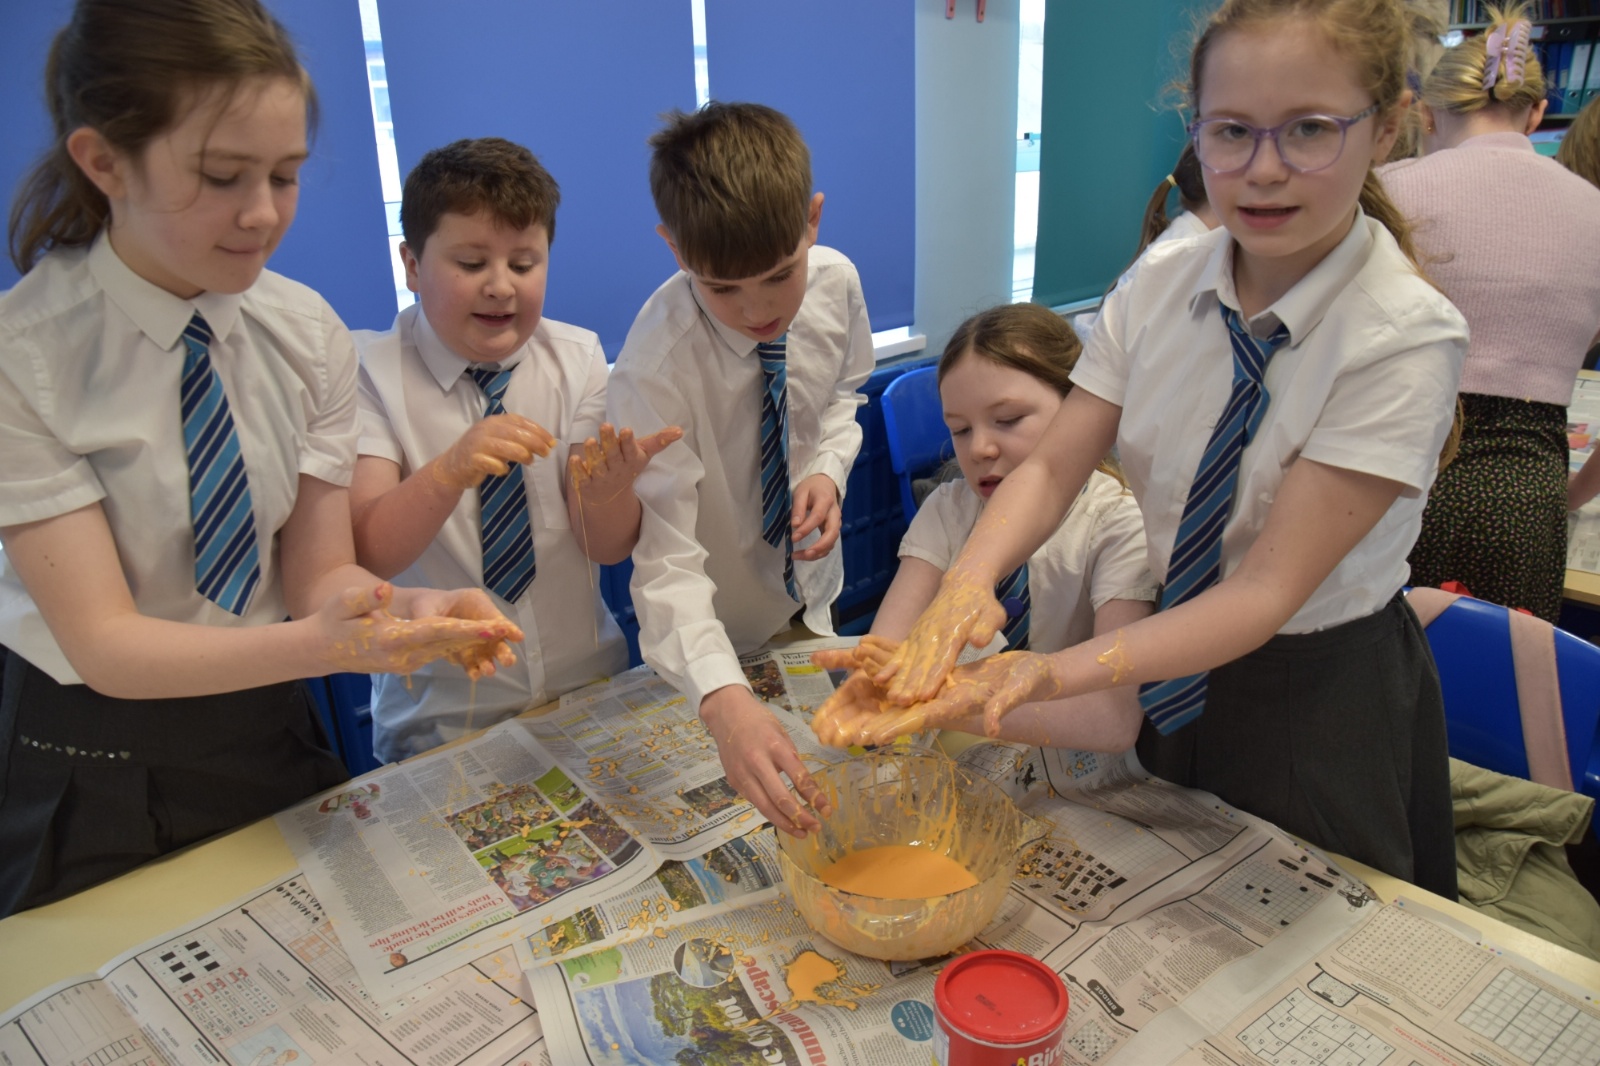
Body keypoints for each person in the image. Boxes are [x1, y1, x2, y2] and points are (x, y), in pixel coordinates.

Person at [822, 0, 1469, 896]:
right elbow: (1056, 464)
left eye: (1309, 129)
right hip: (1166, 658)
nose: (1264, 169)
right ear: (1195, 131)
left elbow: (1263, 592)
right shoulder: (1166, 278)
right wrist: (967, 582)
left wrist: (1034, 675)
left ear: (1388, 127)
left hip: (1311, 692)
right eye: (1231, 132)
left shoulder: (1402, 336)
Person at [0, 0, 521, 915]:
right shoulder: (25, 357)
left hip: (268, 717)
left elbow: (318, 575)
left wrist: (409, 610)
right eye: (221, 176)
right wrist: (325, 643)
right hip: (92, 750)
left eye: (284, 175)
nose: (262, 214)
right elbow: (107, 645)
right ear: (104, 161)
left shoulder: (304, 331)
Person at [348, 137, 680, 762]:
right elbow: (368, 553)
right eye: (472, 263)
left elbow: (605, 546)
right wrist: (448, 470)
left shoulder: (577, 357)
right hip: (444, 722)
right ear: (412, 265)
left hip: (586, 692)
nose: (501, 287)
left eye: (524, 265)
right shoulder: (368, 371)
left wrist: (609, 490)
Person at [607, 102, 874, 837]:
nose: (758, 308)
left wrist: (827, 469)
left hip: (810, 601)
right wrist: (722, 699)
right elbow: (664, 560)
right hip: (712, 637)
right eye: (723, 287)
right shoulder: (655, 368)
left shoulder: (837, 282)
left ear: (812, 220)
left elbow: (843, 394)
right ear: (674, 248)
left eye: (780, 274)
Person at [812, 304, 1156, 750]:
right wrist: (878, 682)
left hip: (1065, 750)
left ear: (1082, 413)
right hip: (969, 747)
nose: (979, 449)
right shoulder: (948, 510)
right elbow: (889, 645)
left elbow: (1111, 720)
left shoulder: (1120, 527)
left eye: (1008, 420)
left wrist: (949, 703)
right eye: (959, 429)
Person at [1381, 6, 1600, 621]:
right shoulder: (1594, 210)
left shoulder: (1387, 192)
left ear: (1426, 115)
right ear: (1536, 114)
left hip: (1390, 480)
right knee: (1503, 670)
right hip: (1525, 497)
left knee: (1385, 659)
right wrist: (1570, 494)